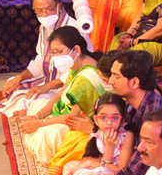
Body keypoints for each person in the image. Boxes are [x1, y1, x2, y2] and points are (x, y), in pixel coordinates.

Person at [57, 50, 162, 175]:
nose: (110, 81)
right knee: (71, 167)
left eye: (116, 77)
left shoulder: (154, 118)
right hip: (121, 167)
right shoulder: (133, 104)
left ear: (134, 82)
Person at [17, 27, 104, 164]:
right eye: (53, 53)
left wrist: (40, 123)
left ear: (76, 50)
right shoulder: (78, 64)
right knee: (37, 104)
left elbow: (72, 118)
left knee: (47, 135)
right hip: (65, 111)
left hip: (81, 125)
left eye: (59, 51)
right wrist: (37, 117)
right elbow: (59, 95)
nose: (56, 57)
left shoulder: (85, 79)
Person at [0, 0, 81, 117]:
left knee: (37, 102)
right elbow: (41, 60)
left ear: (59, 6)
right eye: (40, 11)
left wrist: (46, 87)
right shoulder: (45, 27)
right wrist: (19, 78)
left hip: (69, 84)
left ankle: (32, 110)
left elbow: (76, 71)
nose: (44, 15)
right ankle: (29, 106)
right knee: (15, 86)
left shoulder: (73, 30)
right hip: (50, 79)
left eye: (49, 9)